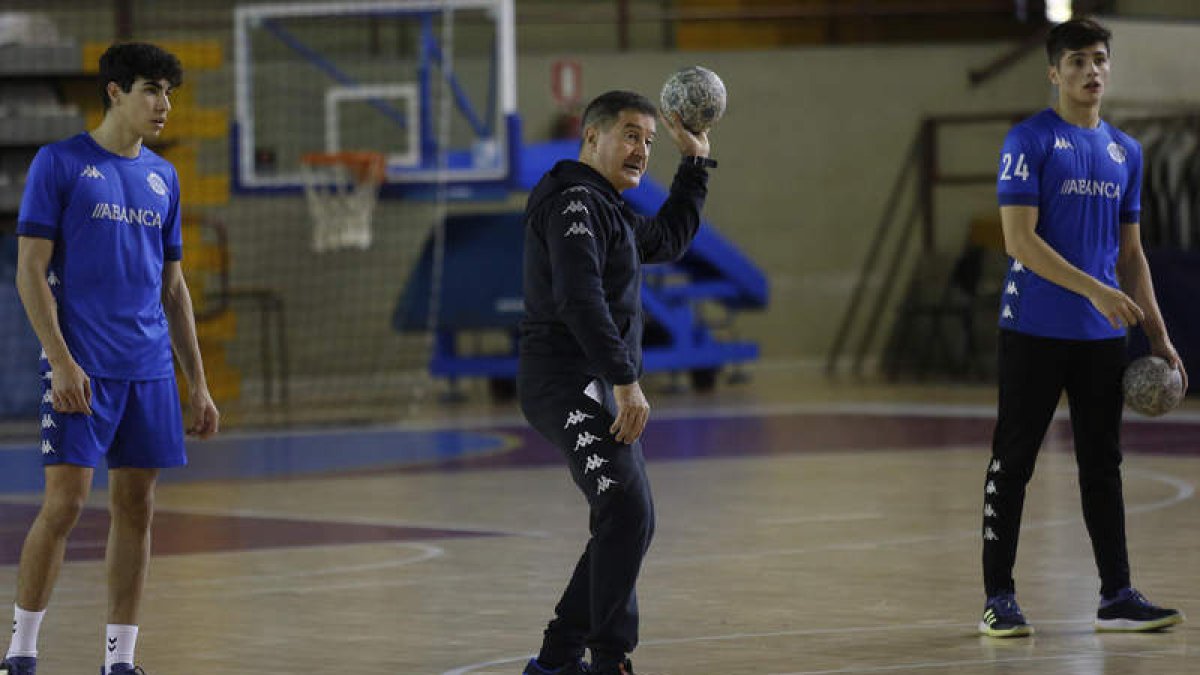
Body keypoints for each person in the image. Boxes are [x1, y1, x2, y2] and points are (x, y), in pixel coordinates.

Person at [1, 43, 219, 675]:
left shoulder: (164, 178)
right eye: (152, 89)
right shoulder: (60, 163)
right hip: (82, 366)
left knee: (138, 509)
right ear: (116, 92)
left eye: (170, 92)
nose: (164, 104)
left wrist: (196, 384)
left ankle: (120, 661)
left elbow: (173, 289)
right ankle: (20, 653)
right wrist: (61, 361)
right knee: (64, 504)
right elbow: (28, 273)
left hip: (148, 368)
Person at [979, 18, 1186, 638]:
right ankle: (999, 598)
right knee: (1013, 463)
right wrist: (1095, 290)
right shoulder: (1029, 140)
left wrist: (1157, 333)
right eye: (1077, 62)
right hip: (1035, 328)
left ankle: (1117, 594)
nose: (1091, 71)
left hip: (1102, 339)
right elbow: (1020, 241)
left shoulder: (1127, 151)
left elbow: (1132, 255)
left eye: (1099, 60)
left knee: (1103, 465)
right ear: (1054, 72)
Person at [517, 90, 714, 675]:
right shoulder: (573, 201)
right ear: (592, 136)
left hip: (590, 383)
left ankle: (557, 661)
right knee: (626, 512)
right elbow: (579, 300)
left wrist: (696, 163)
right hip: (567, 382)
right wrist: (624, 380)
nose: (641, 150)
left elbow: (669, 240)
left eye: (650, 142)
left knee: (628, 516)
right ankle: (607, 660)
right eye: (631, 135)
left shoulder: (606, 206)